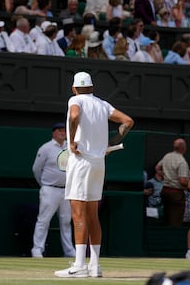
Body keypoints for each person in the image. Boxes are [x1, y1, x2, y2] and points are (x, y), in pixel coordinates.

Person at [55, 72, 133, 278]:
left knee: (78, 214)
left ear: (74, 88)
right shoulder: (102, 104)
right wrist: (112, 142)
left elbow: (73, 116)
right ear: (91, 87)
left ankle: (80, 265)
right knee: (92, 215)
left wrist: (71, 142)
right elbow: (127, 121)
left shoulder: (75, 100)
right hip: (99, 164)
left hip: (81, 162)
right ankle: (94, 266)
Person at [31, 123, 76, 259]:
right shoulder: (46, 148)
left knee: (66, 221)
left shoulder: (71, 147)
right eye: (60, 131)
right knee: (44, 220)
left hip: (67, 190)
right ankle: (37, 249)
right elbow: (36, 169)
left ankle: (69, 251)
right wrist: (45, 185)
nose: (63, 133)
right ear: (54, 133)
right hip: (49, 190)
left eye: (64, 131)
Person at [158, 138, 190, 226]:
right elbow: (182, 181)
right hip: (176, 194)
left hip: (164, 191)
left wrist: (164, 176)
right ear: (184, 148)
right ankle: (172, 237)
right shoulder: (182, 161)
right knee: (176, 221)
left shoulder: (167, 156)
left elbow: (157, 167)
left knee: (166, 218)